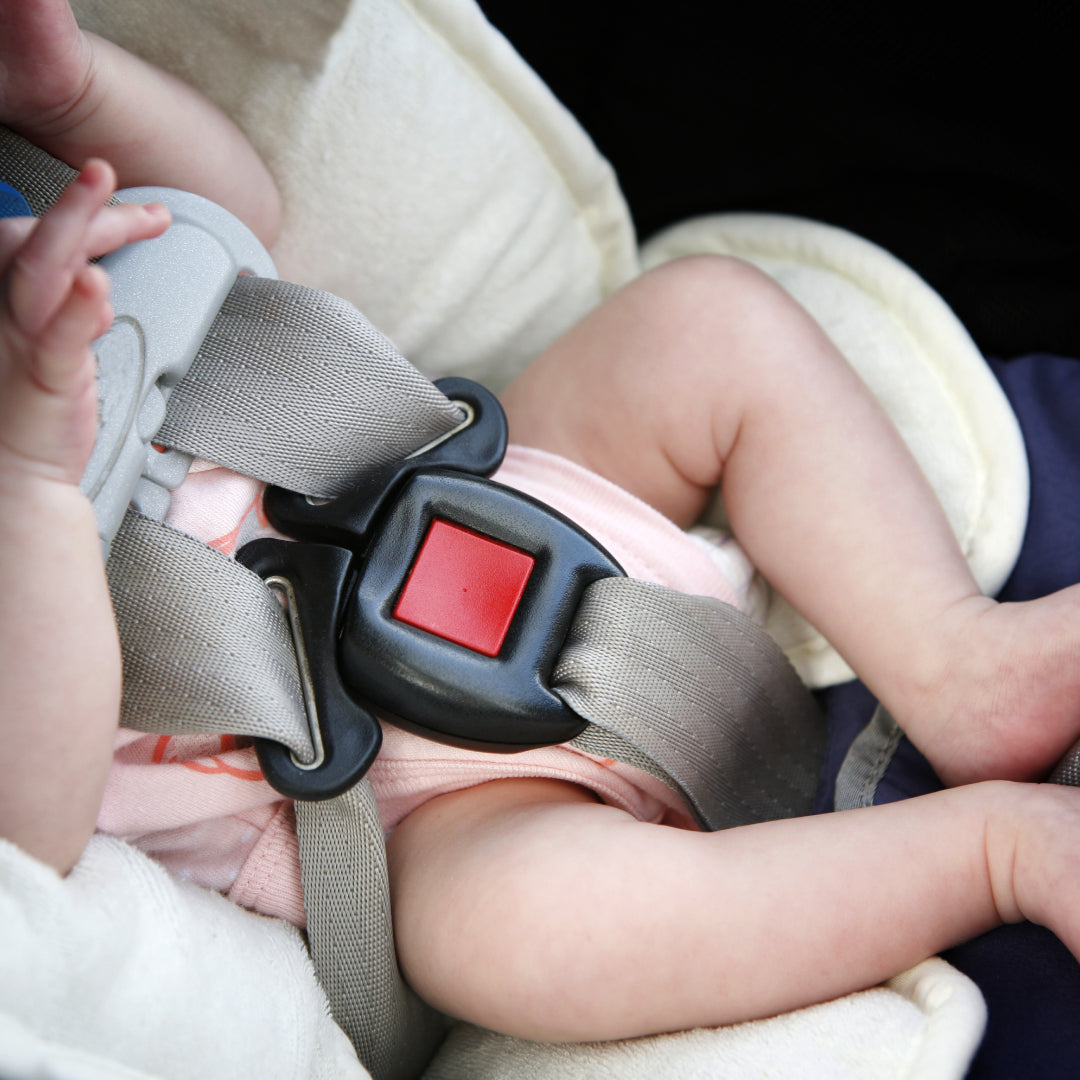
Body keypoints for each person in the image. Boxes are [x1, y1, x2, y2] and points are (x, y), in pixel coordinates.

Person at [5, 0, 1080, 1046]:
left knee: (700, 328)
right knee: (510, 938)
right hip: (382, 808)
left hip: (463, 475)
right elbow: (33, 837)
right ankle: (991, 854)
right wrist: (37, 482)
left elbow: (230, 223)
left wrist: (77, 96)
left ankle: (958, 662)